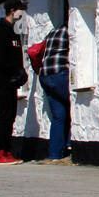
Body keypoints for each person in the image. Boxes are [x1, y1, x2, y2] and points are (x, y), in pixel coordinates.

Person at [0, 0, 27, 165]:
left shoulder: (13, 31)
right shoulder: (2, 31)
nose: (22, 13)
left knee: (10, 115)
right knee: (4, 115)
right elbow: (0, 59)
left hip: (11, 81)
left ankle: (6, 150)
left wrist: (21, 73)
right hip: (2, 80)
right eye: (20, 9)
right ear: (12, 10)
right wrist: (13, 73)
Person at [37, 22, 71, 161]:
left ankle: (55, 154)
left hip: (45, 76)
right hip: (59, 74)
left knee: (58, 116)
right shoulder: (69, 32)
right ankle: (70, 144)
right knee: (74, 106)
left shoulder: (51, 32)